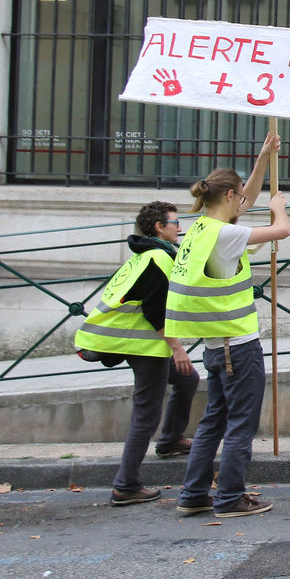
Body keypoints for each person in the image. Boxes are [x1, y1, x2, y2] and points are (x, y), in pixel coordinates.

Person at [165, 133, 290, 518]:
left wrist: (263, 158)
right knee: (240, 425)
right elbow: (281, 230)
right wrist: (279, 208)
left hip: (215, 347)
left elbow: (245, 198)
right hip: (239, 346)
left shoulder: (201, 229)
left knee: (213, 422)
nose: (243, 202)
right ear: (230, 196)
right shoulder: (228, 234)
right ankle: (231, 496)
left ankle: (193, 494)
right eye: (239, 197)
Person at [74, 201, 200, 506]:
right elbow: (155, 311)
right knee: (146, 415)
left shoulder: (144, 255)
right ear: (159, 227)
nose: (180, 227)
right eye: (175, 222)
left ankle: (170, 440)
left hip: (138, 342)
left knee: (187, 379)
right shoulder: (158, 258)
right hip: (144, 346)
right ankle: (126, 485)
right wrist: (177, 348)